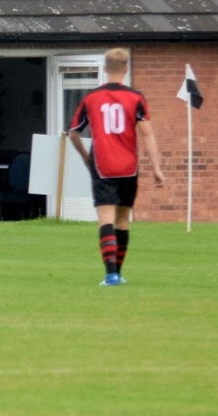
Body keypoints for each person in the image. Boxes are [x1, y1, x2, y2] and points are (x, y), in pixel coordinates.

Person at [67, 47, 165, 285]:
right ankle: (118, 273)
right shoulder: (136, 98)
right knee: (123, 219)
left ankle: (110, 275)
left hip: (103, 164)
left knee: (106, 218)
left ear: (105, 68)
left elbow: (73, 133)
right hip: (128, 165)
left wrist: (85, 158)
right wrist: (157, 169)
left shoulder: (91, 98)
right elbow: (147, 134)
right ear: (126, 69)